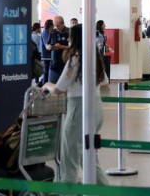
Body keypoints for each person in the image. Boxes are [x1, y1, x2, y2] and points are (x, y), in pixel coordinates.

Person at [42, 24, 109, 185]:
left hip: (79, 109)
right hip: (97, 107)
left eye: (70, 36)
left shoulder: (76, 58)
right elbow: (105, 81)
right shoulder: (93, 56)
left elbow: (58, 89)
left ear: (76, 39)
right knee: (89, 157)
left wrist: (47, 85)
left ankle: (68, 190)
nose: (68, 39)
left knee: (69, 156)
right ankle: (104, 190)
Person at [46, 16, 70, 84]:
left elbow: (72, 47)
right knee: (51, 86)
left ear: (63, 24)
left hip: (65, 65)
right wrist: (49, 47)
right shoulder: (53, 31)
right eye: (55, 26)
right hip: (54, 64)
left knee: (64, 87)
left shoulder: (69, 32)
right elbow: (47, 44)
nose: (56, 27)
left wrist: (61, 47)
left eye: (58, 26)